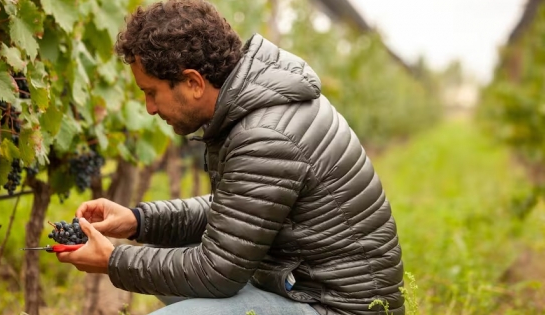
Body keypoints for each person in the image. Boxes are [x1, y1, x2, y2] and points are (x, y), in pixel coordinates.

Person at [56, 0, 405, 314]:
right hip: (304, 286)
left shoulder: (265, 133)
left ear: (193, 82)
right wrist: (137, 221)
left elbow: (217, 273)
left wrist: (114, 260)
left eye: (152, 92)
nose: (149, 108)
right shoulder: (259, 105)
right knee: (173, 255)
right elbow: (235, 212)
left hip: (339, 307)